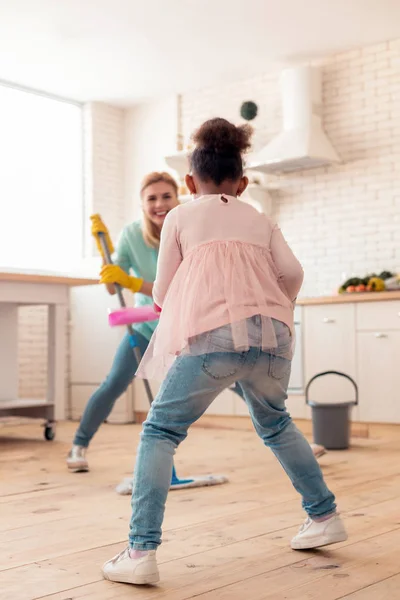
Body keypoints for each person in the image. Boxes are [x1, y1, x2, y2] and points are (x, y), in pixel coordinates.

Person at [102, 118, 347, 586]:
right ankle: (324, 516)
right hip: (274, 338)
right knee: (276, 423)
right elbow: (293, 273)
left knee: (160, 431)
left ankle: (140, 550)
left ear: (189, 183)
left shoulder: (180, 216)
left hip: (214, 339)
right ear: (244, 182)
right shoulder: (261, 218)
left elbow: (162, 292)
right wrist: (269, 305)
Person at [66, 171, 180, 472]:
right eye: (151, 198)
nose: (160, 204)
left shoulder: (186, 230)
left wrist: (129, 281)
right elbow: (112, 286)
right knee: (115, 382)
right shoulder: (132, 234)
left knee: (233, 375)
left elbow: (174, 291)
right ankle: (78, 446)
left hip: (185, 323)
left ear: (178, 196)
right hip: (147, 325)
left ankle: (286, 437)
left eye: (166, 196)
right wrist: (106, 256)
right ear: (142, 204)